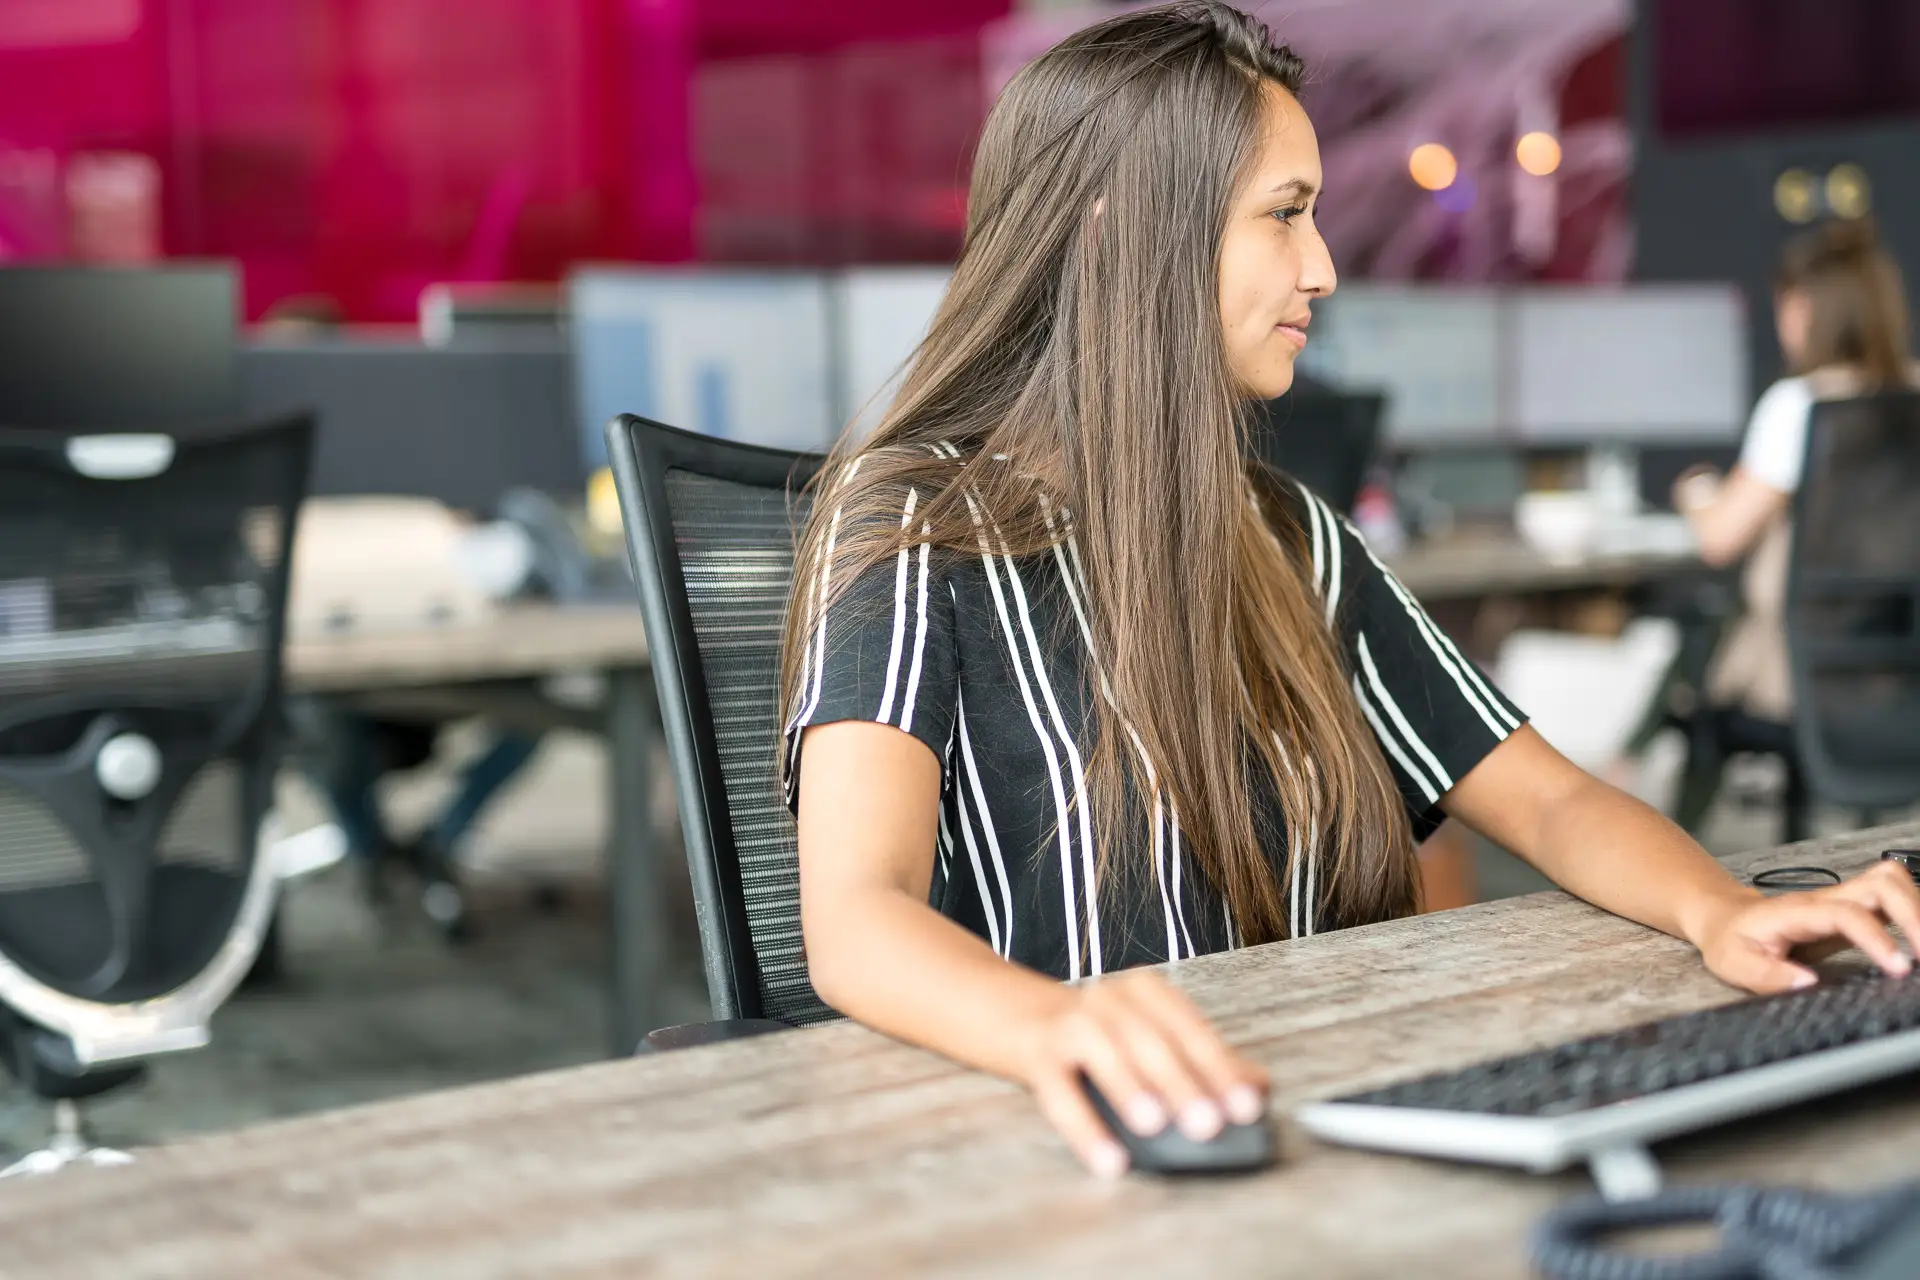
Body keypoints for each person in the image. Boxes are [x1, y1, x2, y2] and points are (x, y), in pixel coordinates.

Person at [777, 2, 1920, 1181]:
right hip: (1070, 1153)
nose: (1322, 265)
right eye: (1284, 214)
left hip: (1307, 1116)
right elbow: (857, 916)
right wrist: (1049, 1023)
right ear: (1123, 233)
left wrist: (1716, 906)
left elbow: (1550, 805)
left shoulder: (1292, 540)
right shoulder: (915, 520)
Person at [1672, 217, 1916, 723]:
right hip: (1901, 667)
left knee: (1695, 653)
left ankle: (1640, 788)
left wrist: (1696, 492)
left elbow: (1719, 539)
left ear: (1804, 309)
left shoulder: (1798, 405)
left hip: (1804, 671)